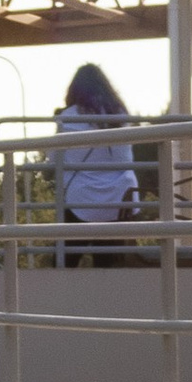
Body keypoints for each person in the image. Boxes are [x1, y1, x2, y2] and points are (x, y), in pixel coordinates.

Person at [54, 62, 138, 265]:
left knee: (63, 263)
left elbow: (53, 159)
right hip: (121, 199)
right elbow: (125, 158)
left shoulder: (67, 117)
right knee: (112, 265)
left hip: (80, 200)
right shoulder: (120, 113)